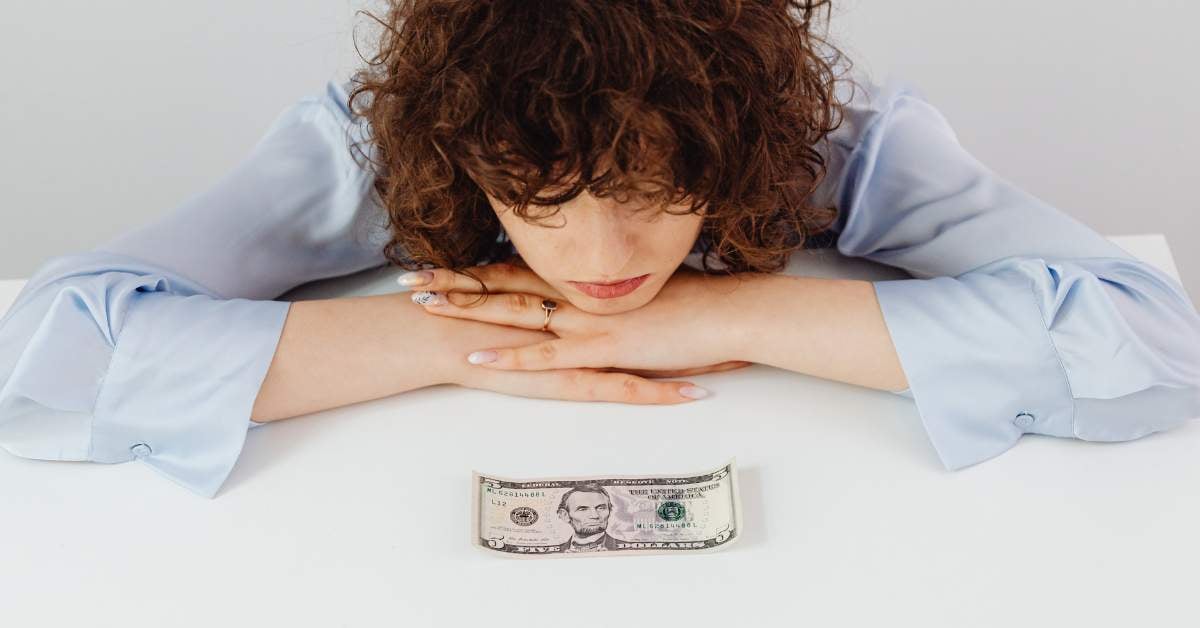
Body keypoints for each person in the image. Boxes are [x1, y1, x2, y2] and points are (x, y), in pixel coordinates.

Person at [1, 1, 1197, 498]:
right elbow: (47, 352)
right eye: (539, 202)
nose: (603, 257)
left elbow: (1147, 340)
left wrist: (719, 315)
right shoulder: (372, 145)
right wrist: (451, 336)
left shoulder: (836, 143)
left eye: (658, 191)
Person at [554, 484, 629, 553]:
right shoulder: (557, 552)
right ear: (565, 515)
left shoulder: (627, 549)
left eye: (601, 508)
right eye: (583, 509)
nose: (595, 515)